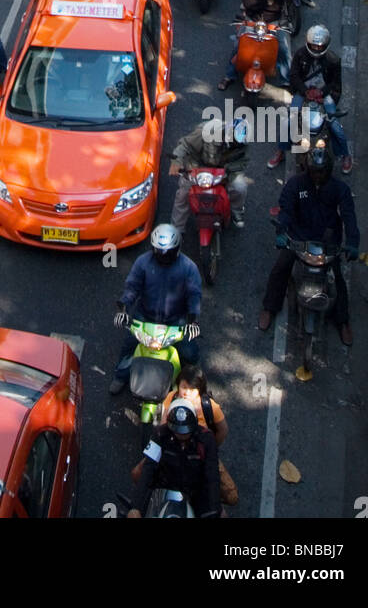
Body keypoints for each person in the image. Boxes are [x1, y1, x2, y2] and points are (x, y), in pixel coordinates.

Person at [258, 141, 359, 343]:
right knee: (281, 268)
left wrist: (353, 243)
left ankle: (343, 321)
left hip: (328, 242)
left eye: (321, 172)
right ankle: (270, 307)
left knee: (338, 278)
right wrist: (282, 231)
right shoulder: (295, 184)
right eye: (314, 171)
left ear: (328, 170)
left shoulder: (340, 190)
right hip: (298, 238)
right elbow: (285, 210)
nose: (317, 176)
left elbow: (349, 218)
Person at [110, 224, 202, 394]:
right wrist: (123, 308)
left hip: (176, 320)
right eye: (159, 251)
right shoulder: (143, 263)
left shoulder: (189, 268)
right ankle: (120, 376)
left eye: (167, 252)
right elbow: (132, 288)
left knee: (190, 353)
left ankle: (195, 384)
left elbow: (194, 296)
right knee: (129, 346)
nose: (163, 256)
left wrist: (192, 321)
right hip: (145, 315)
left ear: (176, 249)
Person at [267, 24, 350, 171]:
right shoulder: (300, 55)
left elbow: (335, 84)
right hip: (303, 92)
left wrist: (322, 93)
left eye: (320, 46)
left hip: (323, 95)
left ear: (326, 45)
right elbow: (294, 76)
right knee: (289, 120)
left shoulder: (333, 60)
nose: (317, 49)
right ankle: (281, 150)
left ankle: (345, 155)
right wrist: (305, 91)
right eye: (314, 46)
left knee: (334, 123)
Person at [125, 400, 222, 519]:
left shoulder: (207, 438)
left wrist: (215, 508)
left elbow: (212, 475)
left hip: (195, 492)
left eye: (186, 431)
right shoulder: (159, 434)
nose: (182, 435)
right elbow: (148, 468)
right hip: (163, 490)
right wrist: (136, 507)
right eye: (177, 431)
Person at [162, 366, 238, 507]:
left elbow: (223, 430)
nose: (186, 393)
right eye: (183, 387)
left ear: (200, 390)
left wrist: (210, 449)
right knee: (141, 475)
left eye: (192, 390)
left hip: (201, 454)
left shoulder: (210, 407)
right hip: (173, 451)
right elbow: (163, 426)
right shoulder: (171, 398)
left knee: (231, 497)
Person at [218, 0, 292, 88]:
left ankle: (286, 79)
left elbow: (278, 6)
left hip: (272, 21)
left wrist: (257, 2)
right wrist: (267, 3)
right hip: (252, 19)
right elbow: (247, 3)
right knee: (238, 45)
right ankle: (229, 76)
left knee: (283, 48)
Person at [169, 116, 249, 230]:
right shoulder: (206, 131)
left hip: (224, 171)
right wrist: (176, 162)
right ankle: (176, 229)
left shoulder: (242, 143)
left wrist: (229, 172)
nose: (233, 144)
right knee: (183, 194)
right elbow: (185, 145)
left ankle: (236, 210)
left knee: (240, 187)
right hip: (198, 166)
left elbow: (242, 162)